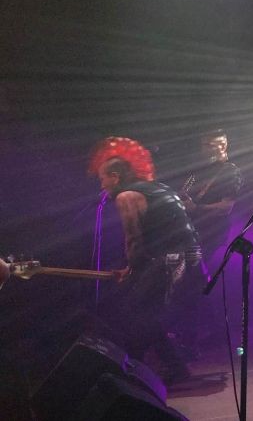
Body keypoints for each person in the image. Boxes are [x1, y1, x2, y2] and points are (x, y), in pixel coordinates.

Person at [88, 136, 201, 385]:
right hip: (188, 256)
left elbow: (134, 239)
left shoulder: (127, 196)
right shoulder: (158, 187)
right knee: (145, 316)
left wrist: (132, 269)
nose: (102, 185)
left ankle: (135, 373)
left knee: (134, 314)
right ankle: (169, 368)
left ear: (115, 176)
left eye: (102, 179)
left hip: (169, 260)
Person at [174, 129, 242, 356]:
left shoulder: (230, 171)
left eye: (211, 145)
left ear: (224, 145)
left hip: (212, 234)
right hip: (192, 234)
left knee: (194, 283)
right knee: (193, 283)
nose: (206, 149)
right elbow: (184, 197)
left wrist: (197, 208)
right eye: (204, 144)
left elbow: (226, 207)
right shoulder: (198, 171)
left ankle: (193, 339)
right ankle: (212, 333)